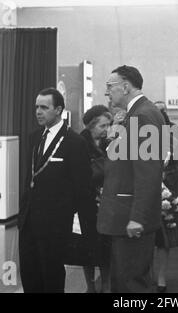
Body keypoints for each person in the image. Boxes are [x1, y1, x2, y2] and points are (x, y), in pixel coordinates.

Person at [97, 65, 165, 293]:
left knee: (131, 283)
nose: (106, 92)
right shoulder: (135, 114)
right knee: (124, 281)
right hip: (124, 214)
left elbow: (149, 173)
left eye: (110, 86)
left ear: (125, 86)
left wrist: (138, 218)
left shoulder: (144, 115)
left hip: (130, 217)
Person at [18, 87, 92, 293]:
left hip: (55, 224)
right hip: (29, 221)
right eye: (36, 107)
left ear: (58, 110)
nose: (38, 112)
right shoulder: (34, 137)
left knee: (51, 275)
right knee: (29, 274)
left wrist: (73, 220)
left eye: (44, 107)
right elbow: (30, 178)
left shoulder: (74, 142)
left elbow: (83, 188)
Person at [153, 101, 178, 293]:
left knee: (163, 239)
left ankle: (161, 277)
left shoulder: (172, 138)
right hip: (144, 193)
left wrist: (167, 181)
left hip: (165, 194)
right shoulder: (137, 138)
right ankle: (148, 273)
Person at [78, 105, 113, 293]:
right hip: (88, 203)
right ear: (91, 126)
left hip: (107, 203)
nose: (106, 130)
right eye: (103, 126)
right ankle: (90, 287)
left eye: (108, 125)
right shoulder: (80, 144)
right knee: (88, 249)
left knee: (106, 249)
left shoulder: (108, 144)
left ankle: (105, 285)